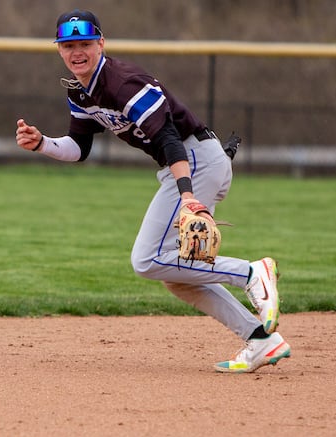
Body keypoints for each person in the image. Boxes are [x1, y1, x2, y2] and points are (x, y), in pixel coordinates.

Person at [15, 10, 290, 373]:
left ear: (101, 43)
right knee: (176, 275)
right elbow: (79, 149)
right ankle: (260, 339)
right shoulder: (81, 92)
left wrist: (187, 194)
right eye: (68, 45)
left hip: (193, 160)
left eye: (84, 43)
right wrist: (43, 144)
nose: (76, 52)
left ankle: (252, 274)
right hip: (188, 163)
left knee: (146, 260)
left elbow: (168, 137)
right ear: (59, 49)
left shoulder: (123, 83)